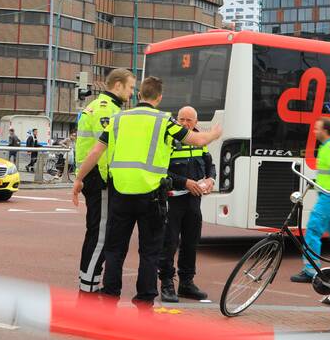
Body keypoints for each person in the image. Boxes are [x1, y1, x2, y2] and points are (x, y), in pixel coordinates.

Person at [71, 76, 221, 304]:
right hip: (151, 197)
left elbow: (95, 152)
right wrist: (214, 134)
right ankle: (145, 297)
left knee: (114, 249)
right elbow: (197, 140)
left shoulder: (118, 119)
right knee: (149, 251)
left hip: (120, 194)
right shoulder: (164, 121)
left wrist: (78, 179)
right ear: (159, 98)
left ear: (139, 95)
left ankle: (111, 293)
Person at [73, 69, 135, 293]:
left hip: (93, 177)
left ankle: (88, 281)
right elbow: (103, 149)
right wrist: (110, 179)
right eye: (130, 88)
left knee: (97, 232)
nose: (131, 93)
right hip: (100, 178)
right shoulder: (106, 109)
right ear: (117, 85)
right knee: (100, 235)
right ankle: (88, 287)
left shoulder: (102, 106)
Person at [159, 106, 216, 303]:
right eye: (181, 119)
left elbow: (210, 165)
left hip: (194, 200)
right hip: (173, 199)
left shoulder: (200, 140)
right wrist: (185, 183)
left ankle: (186, 282)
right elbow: (162, 170)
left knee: (191, 242)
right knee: (170, 243)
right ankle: (167, 284)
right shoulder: (169, 140)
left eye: (188, 120)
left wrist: (210, 180)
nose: (184, 123)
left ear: (196, 123)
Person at [290, 117, 330, 285]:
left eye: (317, 129)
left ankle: (311, 271)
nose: (314, 131)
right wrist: (317, 183)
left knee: (312, 231)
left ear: (325, 131)